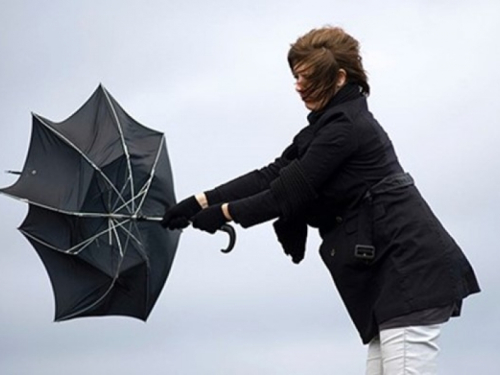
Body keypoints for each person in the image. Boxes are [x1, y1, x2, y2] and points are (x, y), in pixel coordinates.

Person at [161, 26, 480, 374]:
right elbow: (272, 174)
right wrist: (199, 201)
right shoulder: (325, 128)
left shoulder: (347, 128)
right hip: (389, 284)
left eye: (308, 77)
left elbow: (286, 192)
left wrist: (224, 213)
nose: (298, 85)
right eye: (296, 76)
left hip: (410, 276)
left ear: (340, 77)